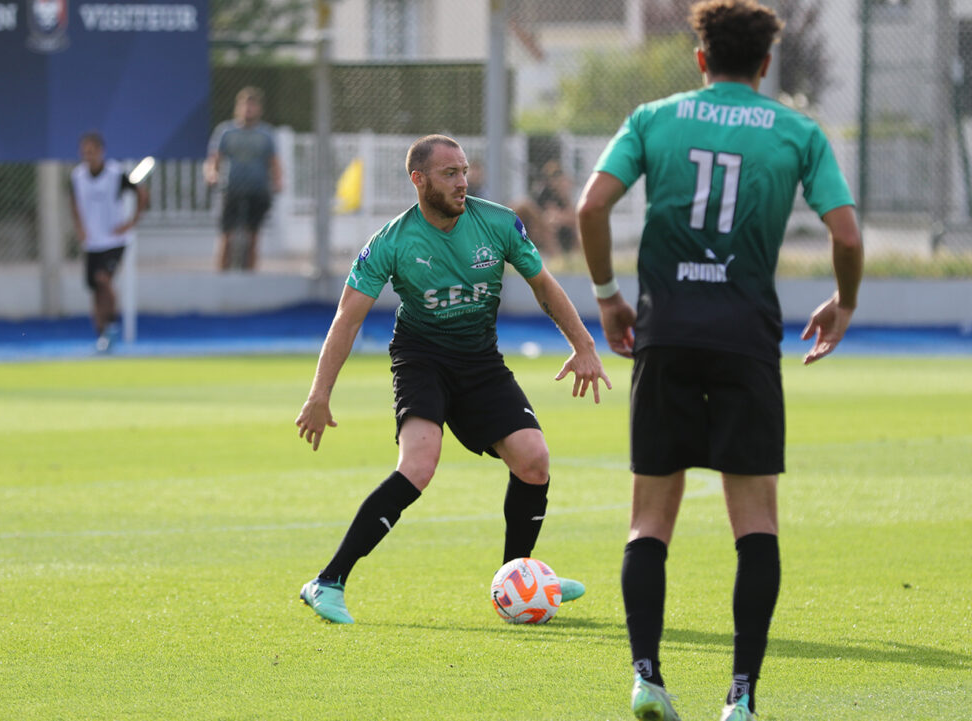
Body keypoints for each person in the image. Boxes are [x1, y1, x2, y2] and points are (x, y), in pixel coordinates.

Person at [575, 2, 863, 720]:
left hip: (665, 333)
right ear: (766, 65)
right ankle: (740, 696)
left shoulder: (654, 119)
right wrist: (844, 301)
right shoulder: (797, 131)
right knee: (755, 520)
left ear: (699, 59)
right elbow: (848, 234)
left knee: (649, 519)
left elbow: (590, 207)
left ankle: (647, 677)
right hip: (745, 339)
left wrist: (609, 297)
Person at [296, 134, 612, 624]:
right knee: (419, 464)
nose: (462, 182)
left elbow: (544, 285)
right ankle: (328, 580)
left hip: (480, 360)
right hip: (421, 359)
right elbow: (346, 320)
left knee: (534, 460)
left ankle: (521, 579)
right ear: (418, 180)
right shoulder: (392, 242)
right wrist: (319, 395)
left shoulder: (499, 222)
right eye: (450, 174)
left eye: (465, 171)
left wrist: (584, 346)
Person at [69, 131, 149, 353]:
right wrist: (80, 228)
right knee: (95, 289)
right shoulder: (77, 176)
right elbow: (74, 203)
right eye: (85, 152)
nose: (88, 156)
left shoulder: (115, 173)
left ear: (101, 152)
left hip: (114, 240)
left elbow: (141, 193)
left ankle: (112, 324)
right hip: (92, 242)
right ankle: (101, 335)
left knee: (103, 279)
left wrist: (131, 221)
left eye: (92, 151)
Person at [203, 86, 283, 271]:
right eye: (245, 106)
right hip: (231, 189)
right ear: (238, 107)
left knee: (253, 236)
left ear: (259, 109)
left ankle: (250, 277)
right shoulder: (226, 131)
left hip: (257, 190)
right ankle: (221, 276)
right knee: (227, 236)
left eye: (252, 106)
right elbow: (214, 159)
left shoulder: (265, 134)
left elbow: (274, 162)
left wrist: (278, 180)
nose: (248, 110)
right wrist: (211, 174)